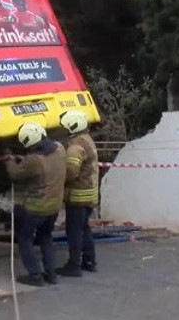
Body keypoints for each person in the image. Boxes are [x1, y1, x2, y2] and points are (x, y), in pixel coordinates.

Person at [5, 122, 67, 286]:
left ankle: (35, 276)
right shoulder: (60, 149)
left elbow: (15, 174)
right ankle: (51, 274)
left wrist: (8, 158)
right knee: (46, 238)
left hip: (35, 209)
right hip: (54, 207)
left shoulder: (34, 160)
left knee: (25, 239)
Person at [56, 110, 99, 277]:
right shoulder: (87, 140)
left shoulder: (76, 146)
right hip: (89, 194)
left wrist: (58, 178)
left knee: (74, 231)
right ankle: (89, 261)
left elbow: (71, 172)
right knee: (84, 229)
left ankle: (73, 265)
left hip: (78, 196)